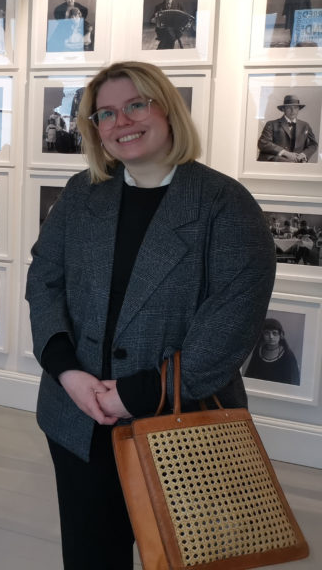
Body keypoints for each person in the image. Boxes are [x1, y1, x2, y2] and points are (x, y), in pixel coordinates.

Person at [26, 61, 276, 570]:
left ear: (167, 109)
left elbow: (230, 324)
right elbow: (44, 281)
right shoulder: (82, 194)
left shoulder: (224, 203)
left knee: (184, 557)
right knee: (91, 552)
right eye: (106, 114)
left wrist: (135, 392)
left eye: (136, 104)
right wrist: (68, 371)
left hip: (181, 421)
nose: (122, 122)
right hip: (78, 414)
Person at [257, 94, 319, 163]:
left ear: (298, 109)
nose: (293, 111)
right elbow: (263, 143)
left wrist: (303, 154)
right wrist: (286, 153)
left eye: (295, 108)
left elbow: (313, 144)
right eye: (289, 108)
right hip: (275, 162)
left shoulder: (305, 125)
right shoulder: (271, 124)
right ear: (283, 109)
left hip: (297, 163)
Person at [244, 318, 300, 385]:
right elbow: (250, 375)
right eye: (267, 333)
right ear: (262, 335)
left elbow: (292, 381)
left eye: (274, 333)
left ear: (280, 335)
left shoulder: (288, 355)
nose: (271, 337)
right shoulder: (259, 351)